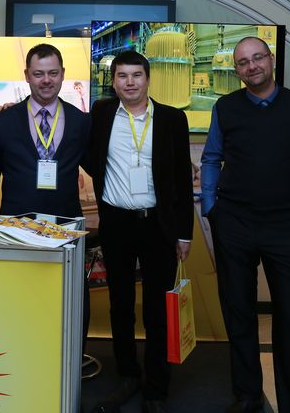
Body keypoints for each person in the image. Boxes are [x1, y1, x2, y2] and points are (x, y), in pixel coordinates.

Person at [200, 36, 290, 413]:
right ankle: (248, 396)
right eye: (243, 62)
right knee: (238, 313)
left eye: (257, 58)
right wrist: (211, 208)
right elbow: (211, 158)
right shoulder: (225, 107)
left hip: (284, 223)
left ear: (270, 60)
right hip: (233, 223)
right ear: (236, 70)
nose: (251, 66)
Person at [86, 50, 193, 413]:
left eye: (136, 75)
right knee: (120, 305)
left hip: (157, 225)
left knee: (157, 310)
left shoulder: (172, 118)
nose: (129, 82)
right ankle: (128, 374)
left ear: (148, 79)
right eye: (122, 76)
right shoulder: (101, 114)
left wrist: (184, 233)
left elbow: (181, 178)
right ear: (113, 82)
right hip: (116, 223)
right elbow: (87, 155)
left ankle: (156, 388)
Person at [0, 43, 89, 217]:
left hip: (65, 222)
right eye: (38, 74)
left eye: (53, 73)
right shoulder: (5, 120)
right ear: (27, 75)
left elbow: (97, 167)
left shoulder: (80, 120)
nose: (46, 80)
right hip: (16, 224)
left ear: (63, 74)